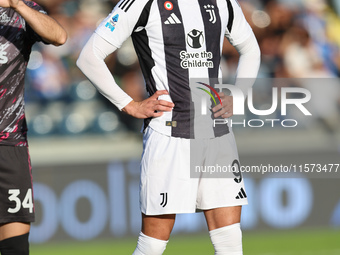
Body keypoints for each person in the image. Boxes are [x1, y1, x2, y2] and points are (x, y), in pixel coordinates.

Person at [77, 0, 260, 254]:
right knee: (152, 245)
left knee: (230, 243)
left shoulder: (222, 2)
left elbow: (250, 48)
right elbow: (88, 57)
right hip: (168, 132)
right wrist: (129, 104)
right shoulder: (142, 3)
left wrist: (239, 95)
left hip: (217, 132)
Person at [0, 0, 67, 254]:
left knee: (16, 247)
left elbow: (59, 36)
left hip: (10, 143)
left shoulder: (22, 11)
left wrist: (18, 5)